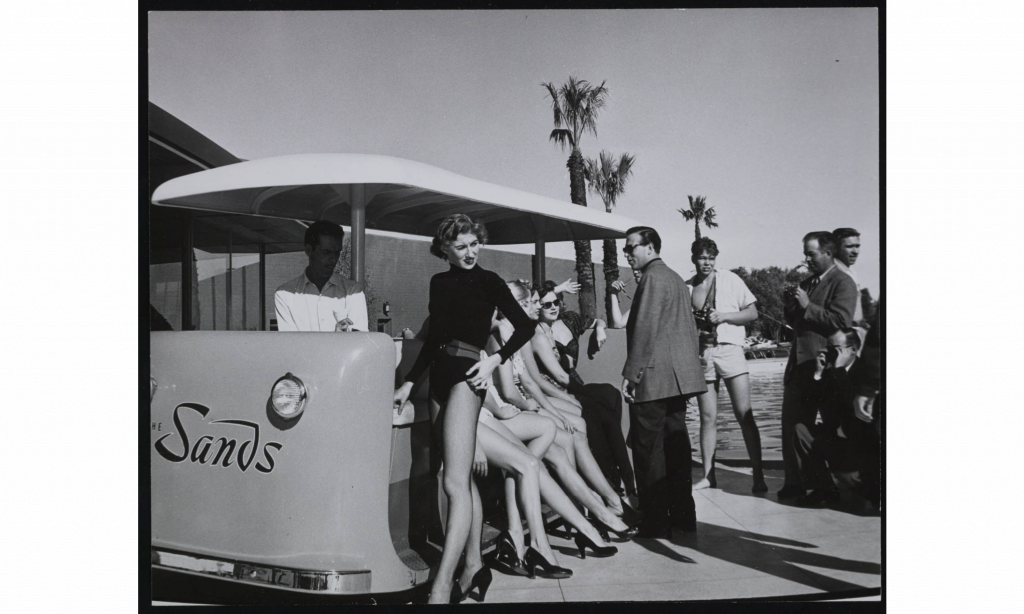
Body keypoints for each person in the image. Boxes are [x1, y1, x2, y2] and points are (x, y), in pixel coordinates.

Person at [392, 214, 534, 604]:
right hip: (438, 375)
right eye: (461, 247)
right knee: (460, 478)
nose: (470, 252)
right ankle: (473, 565)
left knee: (453, 483)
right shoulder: (439, 283)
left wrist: (494, 360)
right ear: (445, 250)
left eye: (474, 244)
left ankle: (441, 588)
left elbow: (525, 326)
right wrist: (409, 381)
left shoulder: (489, 282)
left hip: (467, 379)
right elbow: (435, 335)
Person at [620, 226, 707, 538]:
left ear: (651, 246)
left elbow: (644, 329)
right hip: (676, 381)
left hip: (654, 380)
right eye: (624, 249)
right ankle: (683, 517)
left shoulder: (653, 279)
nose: (627, 254)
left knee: (649, 454)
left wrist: (631, 376)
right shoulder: (673, 278)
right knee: (676, 452)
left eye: (632, 247)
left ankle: (655, 522)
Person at [534, 279, 638, 500]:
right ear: (537, 307)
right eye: (546, 304)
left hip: (575, 383)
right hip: (558, 388)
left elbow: (598, 320)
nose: (553, 307)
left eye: (556, 302)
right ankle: (616, 479)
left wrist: (600, 329)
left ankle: (624, 476)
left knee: (610, 395)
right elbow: (559, 376)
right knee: (596, 410)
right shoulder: (538, 333)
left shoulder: (570, 319)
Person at [778, 231, 859, 501]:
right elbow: (799, 324)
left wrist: (808, 305)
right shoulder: (807, 282)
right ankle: (796, 483)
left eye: (811, 254)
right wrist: (791, 306)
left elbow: (841, 322)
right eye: (806, 254)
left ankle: (826, 487)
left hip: (825, 369)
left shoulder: (843, 282)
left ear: (828, 253)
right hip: (799, 368)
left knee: (825, 429)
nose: (807, 259)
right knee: (792, 427)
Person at [685, 237, 768, 494]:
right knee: (707, 418)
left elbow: (752, 313)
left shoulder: (731, 279)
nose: (706, 262)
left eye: (711, 257)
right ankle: (709, 475)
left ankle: (758, 475)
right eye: (702, 257)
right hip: (703, 354)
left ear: (715, 258)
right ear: (694, 259)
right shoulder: (687, 287)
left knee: (745, 414)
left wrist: (724, 316)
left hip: (730, 351)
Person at [792, 329, 866, 507]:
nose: (829, 353)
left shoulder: (866, 372)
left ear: (853, 349)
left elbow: (853, 406)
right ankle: (824, 488)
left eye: (835, 349)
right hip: (837, 440)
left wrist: (839, 371)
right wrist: (817, 374)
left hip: (863, 445)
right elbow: (807, 404)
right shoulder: (829, 372)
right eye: (828, 348)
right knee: (801, 430)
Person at [274, 220, 369, 332]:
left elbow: (360, 342)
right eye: (326, 252)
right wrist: (337, 338)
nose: (333, 259)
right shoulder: (285, 294)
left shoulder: (353, 292)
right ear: (309, 250)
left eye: (337, 252)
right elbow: (291, 345)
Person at [832, 227, 864, 325]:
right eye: (849, 246)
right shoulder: (833, 273)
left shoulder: (850, 272)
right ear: (835, 248)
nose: (855, 251)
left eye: (857, 246)